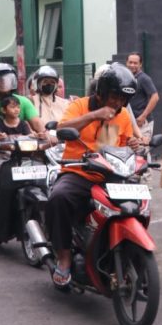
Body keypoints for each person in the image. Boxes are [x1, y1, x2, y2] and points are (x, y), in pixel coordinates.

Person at [46, 63, 140, 287]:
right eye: (114, 97)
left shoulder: (124, 115)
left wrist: (133, 145)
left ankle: (130, 254)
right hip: (78, 172)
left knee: (136, 203)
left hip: (111, 176)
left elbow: (123, 145)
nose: (118, 104)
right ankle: (64, 257)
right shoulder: (79, 105)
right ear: (101, 93)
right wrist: (95, 115)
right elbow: (62, 129)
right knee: (58, 198)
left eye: (122, 100)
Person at [0, 63, 46, 241]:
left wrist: (46, 136)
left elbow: (37, 123)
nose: (2, 83)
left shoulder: (23, 102)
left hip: (22, 149)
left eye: (6, 78)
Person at [126, 52, 159, 138]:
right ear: (126, 63)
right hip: (129, 123)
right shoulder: (126, 78)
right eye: (130, 62)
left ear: (140, 64)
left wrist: (143, 116)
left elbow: (155, 97)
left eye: (135, 63)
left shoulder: (144, 78)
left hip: (142, 123)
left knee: (142, 149)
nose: (132, 65)